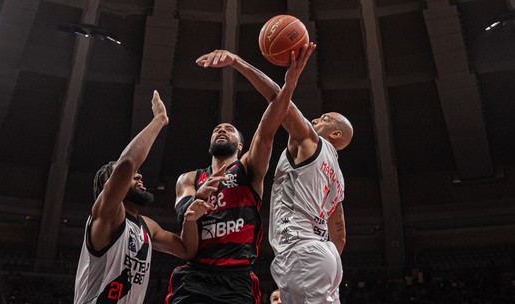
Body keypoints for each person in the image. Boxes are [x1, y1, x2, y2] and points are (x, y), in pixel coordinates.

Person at [164, 44, 316, 304]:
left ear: (241, 144)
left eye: (229, 129)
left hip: (237, 279)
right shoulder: (188, 179)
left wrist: (286, 85)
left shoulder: (248, 169)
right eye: (217, 129)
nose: (221, 130)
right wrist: (198, 198)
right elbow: (183, 216)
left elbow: (269, 128)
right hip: (195, 276)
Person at [206, 47, 351, 303]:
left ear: (336, 134)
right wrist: (324, 259)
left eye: (324, 119)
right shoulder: (337, 176)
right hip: (325, 254)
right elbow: (339, 233)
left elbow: (276, 98)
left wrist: (238, 61)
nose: (316, 119)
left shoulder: (309, 140)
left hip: (301, 248)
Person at [74, 90, 213, 304]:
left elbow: (186, 250)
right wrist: (159, 120)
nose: (139, 174)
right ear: (108, 186)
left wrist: (190, 218)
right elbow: (127, 164)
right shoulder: (106, 215)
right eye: (129, 176)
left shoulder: (147, 226)